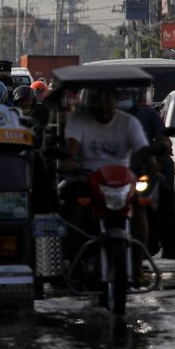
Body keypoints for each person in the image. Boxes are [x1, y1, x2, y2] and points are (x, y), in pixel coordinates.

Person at [61, 87, 152, 287]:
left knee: (140, 209)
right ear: (88, 103)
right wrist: (69, 159)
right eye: (97, 101)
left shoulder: (128, 122)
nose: (103, 107)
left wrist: (152, 159)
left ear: (114, 102)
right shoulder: (79, 121)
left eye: (106, 101)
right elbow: (73, 147)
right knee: (76, 211)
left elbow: (142, 148)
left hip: (122, 181)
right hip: (87, 180)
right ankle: (76, 264)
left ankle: (137, 268)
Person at [117, 86, 175, 260]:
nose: (121, 98)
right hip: (112, 173)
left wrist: (162, 148)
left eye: (124, 93)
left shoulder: (147, 114)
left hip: (140, 170)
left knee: (166, 190)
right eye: (117, 94)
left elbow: (162, 140)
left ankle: (169, 244)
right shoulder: (102, 117)